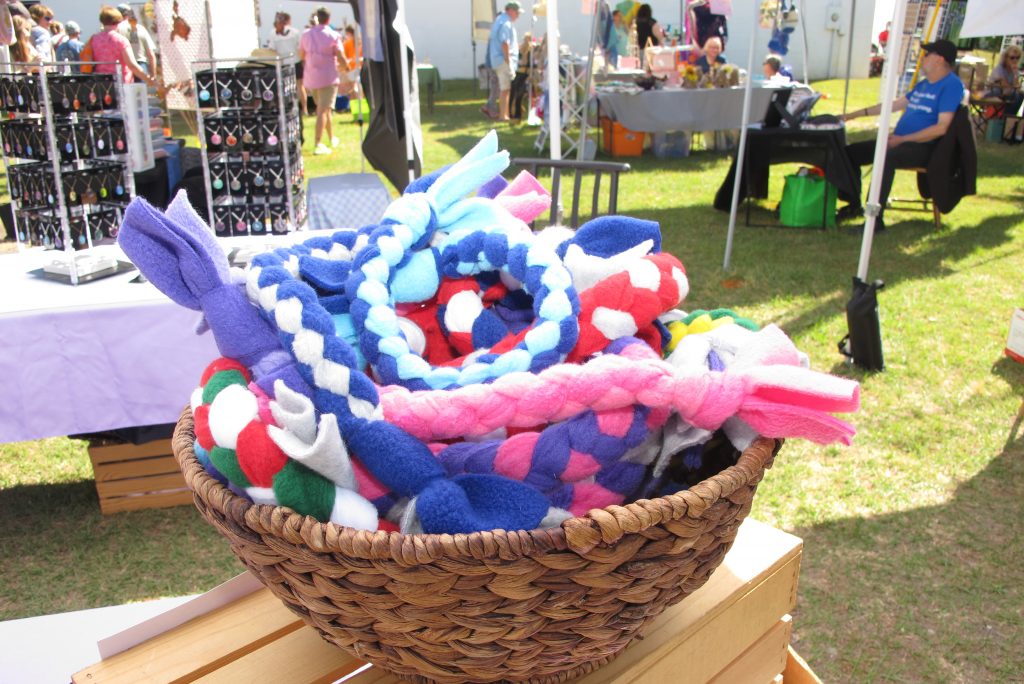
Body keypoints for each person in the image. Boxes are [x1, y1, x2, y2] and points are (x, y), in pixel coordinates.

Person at [839, 39, 964, 231]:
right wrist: (853, 115)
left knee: (885, 157)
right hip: (900, 141)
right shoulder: (925, 84)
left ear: (939, 59)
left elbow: (941, 128)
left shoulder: (952, 86)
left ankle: (874, 220)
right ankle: (853, 204)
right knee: (851, 153)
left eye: (927, 55)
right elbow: (894, 105)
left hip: (925, 147)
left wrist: (902, 139)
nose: (923, 58)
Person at [299, 6, 342, 154]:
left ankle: (331, 137)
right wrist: (347, 67)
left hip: (312, 78)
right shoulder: (333, 35)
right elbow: (340, 55)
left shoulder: (306, 34)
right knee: (323, 110)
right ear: (328, 19)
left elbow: (301, 54)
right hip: (328, 78)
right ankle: (318, 143)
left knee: (324, 109)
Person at [88, 6, 156, 86]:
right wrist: (148, 79)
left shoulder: (94, 39)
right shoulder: (121, 40)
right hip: (121, 82)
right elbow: (131, 65)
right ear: (118, 21)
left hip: (101, 82)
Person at [485, 1, 521, 122]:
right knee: (505, 88)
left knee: (505, 88)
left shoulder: (499, 21)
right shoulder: (506, 23)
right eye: (517, 13)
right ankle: (503, 115)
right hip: (503, 59)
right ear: (510, 10)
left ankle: (504, 114)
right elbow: (505, 43)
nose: (518, 16)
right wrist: (508, 60)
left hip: (498, 59)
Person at [267, 11, 305, 116]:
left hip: (284, 63)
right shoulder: (295, 32)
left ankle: (293, 108)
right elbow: (300, 48)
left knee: (288, 87)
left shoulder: (274, 33)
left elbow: (272, 49)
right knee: (298, 86)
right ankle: (303, 109)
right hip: (294, 61)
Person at [116, 4, 156, 76]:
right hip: (141, 66)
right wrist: (153, 75)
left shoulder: (115, 30)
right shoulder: (140, 28)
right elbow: (151, 54)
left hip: (122, 67)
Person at [984, 45, 1023, 116]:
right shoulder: (999, 69)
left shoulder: (1014, 70)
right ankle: (1006, 117)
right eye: (1012, 58)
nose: (1015, 60)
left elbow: (1016, 87)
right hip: (993, 92)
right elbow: (1006, 87)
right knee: (1013, 95)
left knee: (1020, 95)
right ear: (1006, 58)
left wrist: (1015, 74)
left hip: (1006, 93)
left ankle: (1011, 117)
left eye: (1017, 58)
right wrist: (1015, 87)